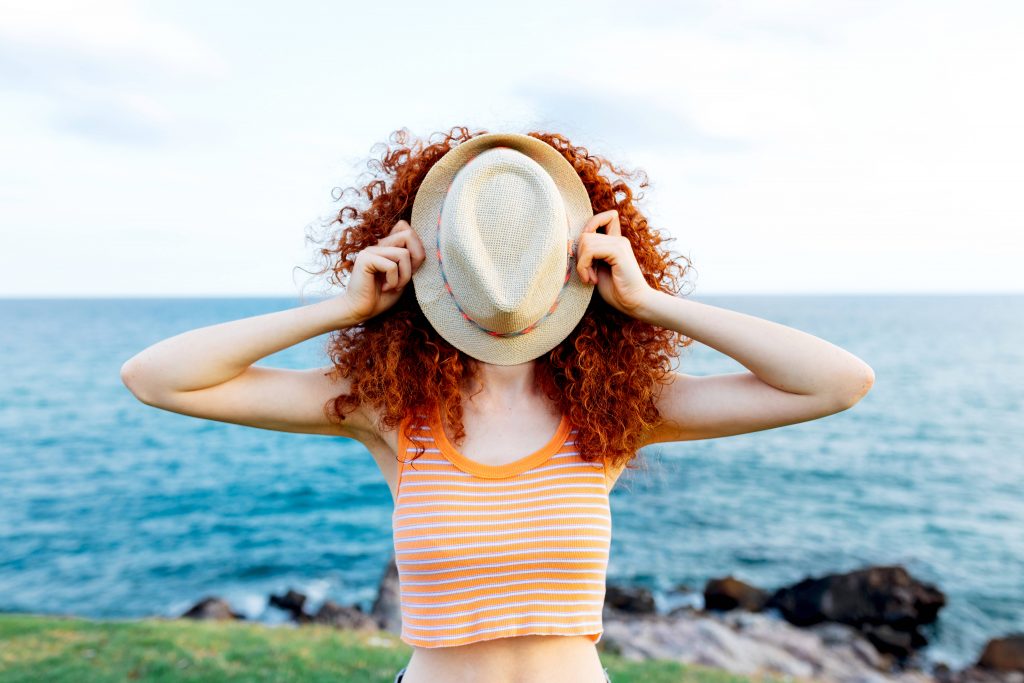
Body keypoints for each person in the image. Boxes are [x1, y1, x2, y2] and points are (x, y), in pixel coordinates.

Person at [120, 128, 874, 683]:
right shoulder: (388, 411)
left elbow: (837, 381)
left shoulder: (610, 413)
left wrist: (652, 302)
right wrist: (341, 309)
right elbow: (158, 378)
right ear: (433, 263)